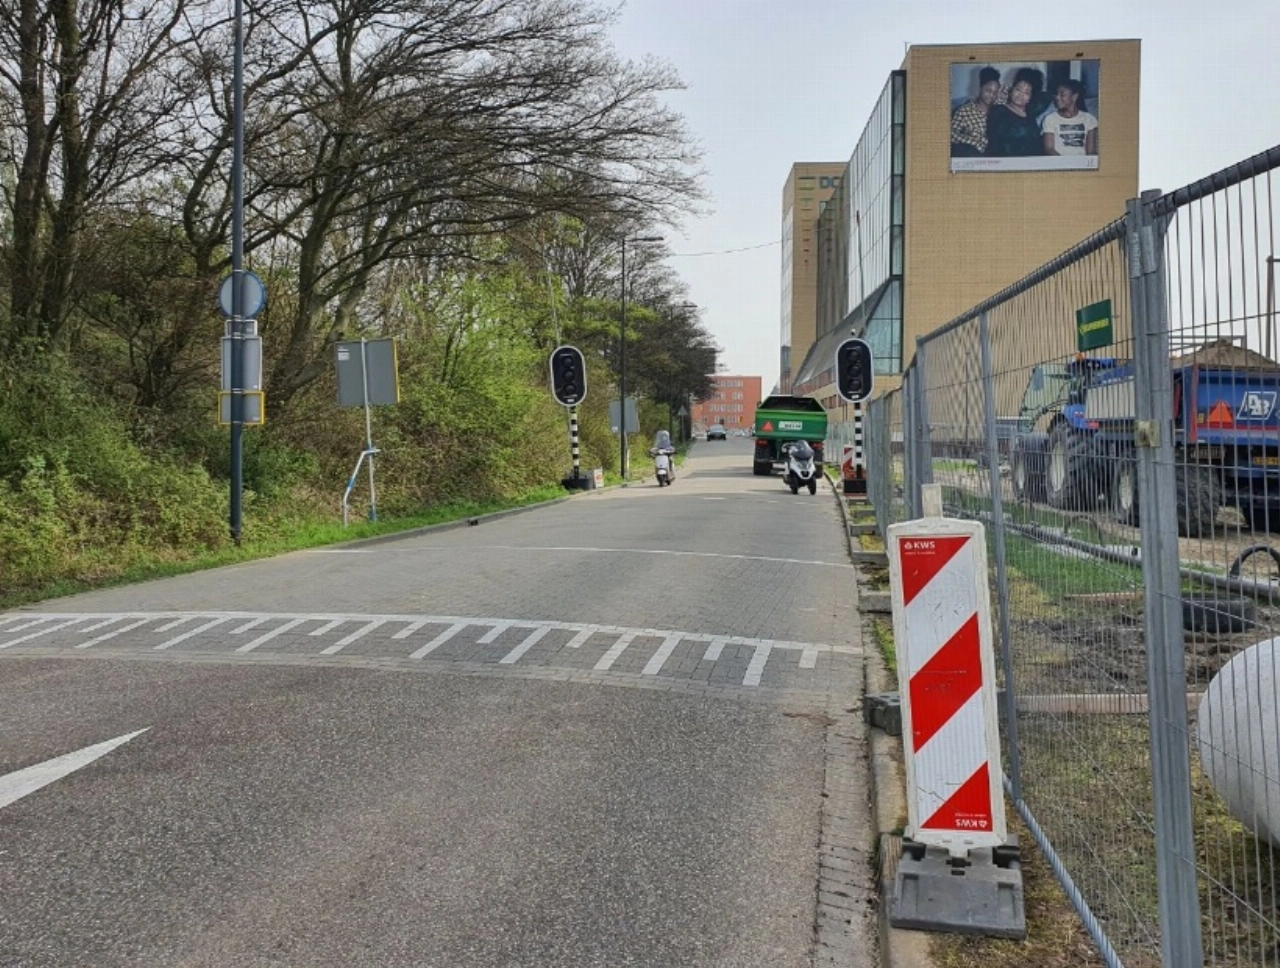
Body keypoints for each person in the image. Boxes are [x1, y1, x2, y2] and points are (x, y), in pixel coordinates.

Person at [985, 69, 1043, 157]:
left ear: (1030, 98)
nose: (1020, 95)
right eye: (1018, 89)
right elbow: (998, 144)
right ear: (1011, 91)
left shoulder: (1031, 116)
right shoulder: (998, 110)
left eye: (1027, 92)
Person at [950, 66, 1002, 157]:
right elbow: (950, 134)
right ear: (980, 88)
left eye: (995, 92)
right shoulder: (964, 111)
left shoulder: (999, 106)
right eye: (988, 90)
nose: (991, 95)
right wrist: (974, 141)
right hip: (975, 155)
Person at [1041, 79, 1098, 157]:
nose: (1057, 97)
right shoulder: (1049, 119)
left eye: (1062, 94)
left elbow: (1091, 152)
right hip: (1059, 163)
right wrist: (1065, 163)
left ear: (1074, 97)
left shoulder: (1089, 119)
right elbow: (1049, 149)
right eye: (1056, 94)